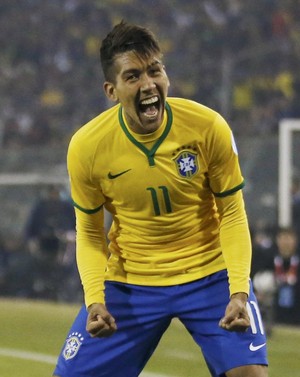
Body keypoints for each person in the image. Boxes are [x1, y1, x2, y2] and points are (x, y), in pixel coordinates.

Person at [54, 21, 268, 377]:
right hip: (132, 280)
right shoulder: (87, 147)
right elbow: (90, 234)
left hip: (210, 273)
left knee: (250, 375)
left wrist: (238, 292)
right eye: (134, 76)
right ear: (112, 89)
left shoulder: (207, 126)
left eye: (155, 71)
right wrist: (95, 300)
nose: (149, 84)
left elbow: (232, 213)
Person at [273, 226, 300, 326]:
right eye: (283, 238)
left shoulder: (297, 260)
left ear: (295, 241)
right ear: (277, 240)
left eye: (289, 238)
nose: (286, 242)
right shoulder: (268, 260)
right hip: (274, 312)